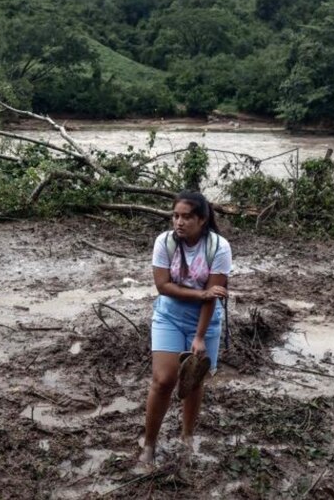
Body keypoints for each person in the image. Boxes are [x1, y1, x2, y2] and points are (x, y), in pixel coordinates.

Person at [139, 190, 232, 465]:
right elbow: (163, 286)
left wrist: (200, 337)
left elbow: (213, 295)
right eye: (175, 216)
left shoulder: (218, 247)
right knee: (163, 380)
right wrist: (200, 294)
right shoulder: (164, 242)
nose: (179, 222)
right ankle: (149, 444)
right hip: (169, 315)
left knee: (193, 381)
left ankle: (187, 437)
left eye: (186, 217)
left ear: (202, 220)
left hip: (205, 319)